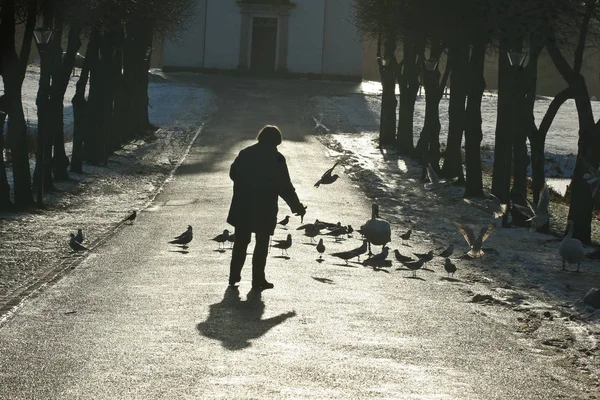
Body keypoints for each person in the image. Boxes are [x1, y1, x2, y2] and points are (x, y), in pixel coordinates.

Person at [227, 125, 306, 290]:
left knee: (241, 242)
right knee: (261, 244)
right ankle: (258, 280)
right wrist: (297, 206)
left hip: (243, 205)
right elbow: (285, 186)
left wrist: (245, 184)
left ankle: (234, 276)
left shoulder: (246, 153)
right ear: (276, 141)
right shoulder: (277, 158)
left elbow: (233, 173)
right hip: (264, 207)